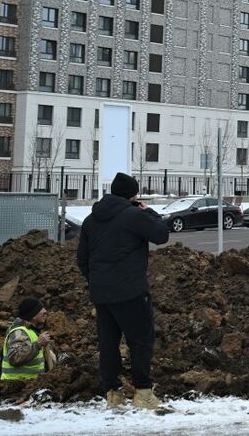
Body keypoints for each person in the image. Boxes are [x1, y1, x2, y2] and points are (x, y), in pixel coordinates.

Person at [76, 172, 170, 409]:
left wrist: (97, 280)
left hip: (101, 294)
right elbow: (161, 235)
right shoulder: (133, 216)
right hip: (131, 293)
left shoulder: (91, 219)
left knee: (108, 344)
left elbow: (82, 259)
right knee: (140, 341)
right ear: (132, 195)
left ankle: (113, 394)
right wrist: (147, 211)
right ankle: (143, 393)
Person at [1, 297, 56, 380]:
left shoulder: (32, 331)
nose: (45, 311)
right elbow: (15, 358)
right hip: (15, 386)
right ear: (33, 315)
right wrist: (38, 345)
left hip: (29, 385)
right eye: (41, 309)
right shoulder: (19, 332)